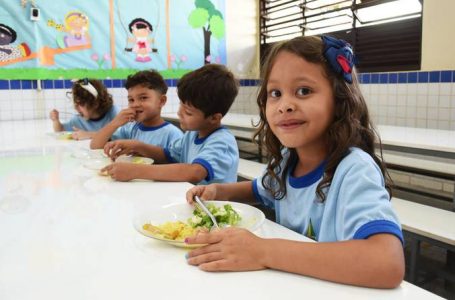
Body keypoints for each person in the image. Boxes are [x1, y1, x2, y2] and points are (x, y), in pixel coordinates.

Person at [184, 35, 405, 289]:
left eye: (303, 91)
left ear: (339, 100)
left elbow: (387, 262)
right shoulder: (289, 161)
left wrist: (262, 251)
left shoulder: (354, 169)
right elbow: (257, 190)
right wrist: (217, 191)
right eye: (275, 93)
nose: (285, 105)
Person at [100, 64, 239, 184]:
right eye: (181, 105)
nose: (179, 113)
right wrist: (137, 146)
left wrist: (136, 171)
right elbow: (167, 154)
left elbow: (195, 172)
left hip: (215, 209)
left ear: (214, 118)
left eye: (188, 112)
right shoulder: (192, 134)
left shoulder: (221, 141)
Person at [90, 70, 182, 150]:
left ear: (161, 101)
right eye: (131, 100)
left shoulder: (173, 134)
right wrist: (115, 123)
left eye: (143, 98)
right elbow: (95, 146)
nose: (135, 104)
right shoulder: (130, 128)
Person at [49, 78, 118, 140]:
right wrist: (56, 120)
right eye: (76, 104)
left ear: (95, 104)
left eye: (81, 104)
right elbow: (61, 130)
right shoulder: (78, 120)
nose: (76, 108)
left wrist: (89, 135)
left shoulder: (113, 113)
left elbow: (121, 136)